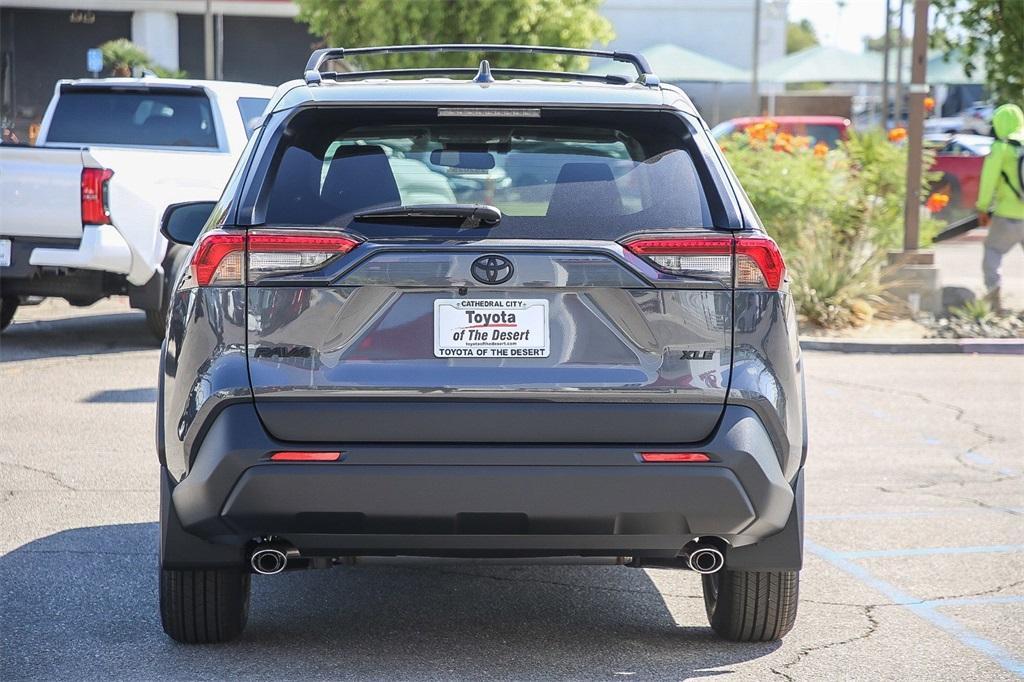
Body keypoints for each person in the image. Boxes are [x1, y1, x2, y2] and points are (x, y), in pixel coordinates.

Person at [976, 103, 1024, 312]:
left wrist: (983, 208)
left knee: (993, 250)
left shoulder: (1001, 148)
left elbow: (989, 181)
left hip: (1008, 214)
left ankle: (993, 291)